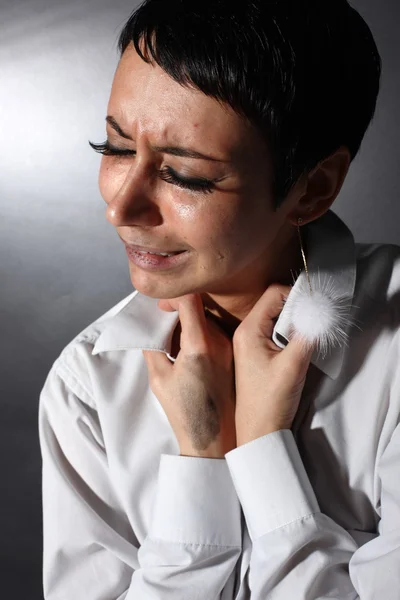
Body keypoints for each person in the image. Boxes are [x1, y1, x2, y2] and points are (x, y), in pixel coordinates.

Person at [38, 0, 400, 598]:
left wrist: (262, 450)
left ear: (313, 187)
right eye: (116, 149)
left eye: (185, 176)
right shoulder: (90, 385)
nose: (120, 208)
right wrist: (201, 461)